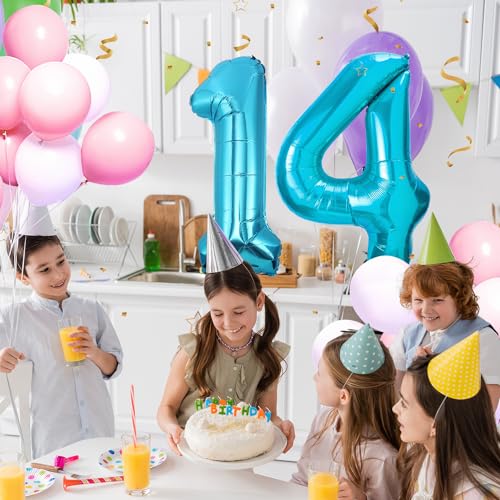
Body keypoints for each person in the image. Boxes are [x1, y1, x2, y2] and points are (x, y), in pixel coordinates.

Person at [157, 215, 294, 454]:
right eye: (217, 313)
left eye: (239, 311)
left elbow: (266, 417)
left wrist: (280, 425)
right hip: (190, 455)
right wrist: (171, 428)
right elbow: (166, 408)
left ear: (259, 301)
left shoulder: (267, 357)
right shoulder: (193, 352)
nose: (228, 323)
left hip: (241, 459)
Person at [0, 205, 122, 458]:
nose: (58, 274)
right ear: (24, 278)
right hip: (52, 434)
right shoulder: (14, 317)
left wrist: (94, 352)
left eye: (61, 261)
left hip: (99, 426)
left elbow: (113, 366)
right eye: (44, 270)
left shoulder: (92, 310)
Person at [390, 214, 500, 410]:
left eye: (437, 300)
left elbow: (486, 413)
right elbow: (395, 399)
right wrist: (417, 371)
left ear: (459, 297)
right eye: (418, 300)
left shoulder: (483, 339)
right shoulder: (408, 336)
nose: (426, 310)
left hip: (460, 439)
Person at [292, 325, 401, 500]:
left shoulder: (382, 458)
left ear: (343, 396)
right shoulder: (323, 420)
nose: (314, 377)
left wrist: (362, 498)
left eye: (320, 373)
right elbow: (301, 479)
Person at [393, 333, 500, 499]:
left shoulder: (477, 494)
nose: (394, 408)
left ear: (436, 424)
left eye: (404, 404)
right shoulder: (424, 457)